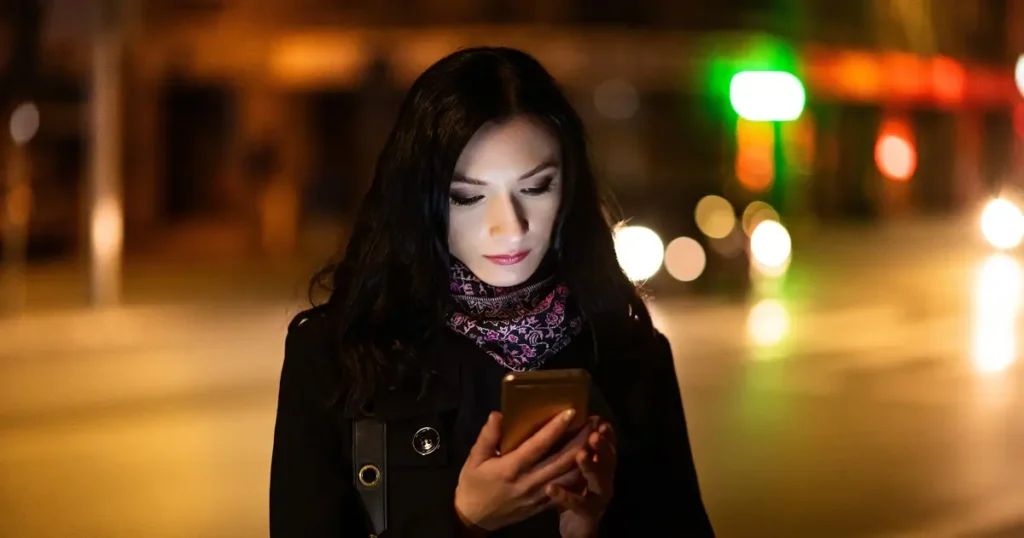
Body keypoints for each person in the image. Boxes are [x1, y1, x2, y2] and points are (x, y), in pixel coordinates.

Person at [270, 46, 715, 537]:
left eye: (535, 188)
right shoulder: (336, 355)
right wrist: (463, 521)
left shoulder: (630, 353)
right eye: (468, 196)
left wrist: (586, 529)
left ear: (569, 188)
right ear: (422, 200)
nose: (510, 227)